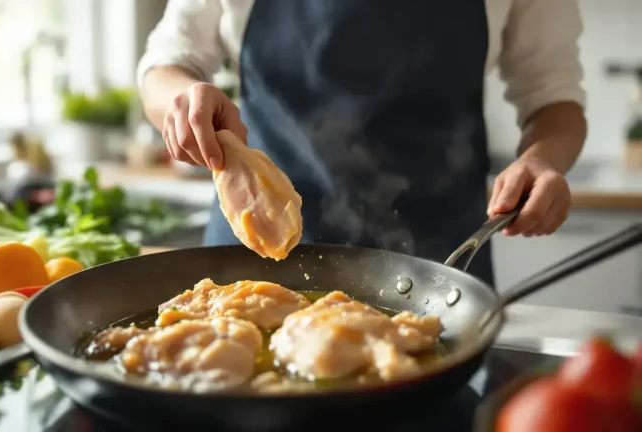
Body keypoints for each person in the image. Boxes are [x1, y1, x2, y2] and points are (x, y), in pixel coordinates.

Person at [136, 0, 587, 286]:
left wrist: (543, 159)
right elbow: (166, 63)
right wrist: (182, 102)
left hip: (432, 271)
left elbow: (554, 97)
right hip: (251, 260)